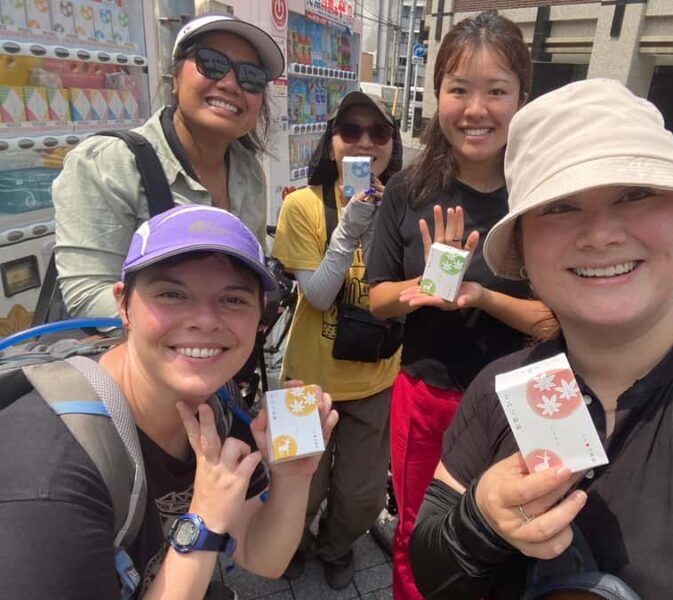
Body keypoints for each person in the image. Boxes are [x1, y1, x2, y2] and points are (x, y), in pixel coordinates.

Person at [408, 78, 673, 599]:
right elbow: (431, 564)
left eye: (635, 194)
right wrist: (479, 519)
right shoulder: (499, 388)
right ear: (523, 248)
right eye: (561, 206)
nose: (601, 233)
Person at [0, 205, 338, 599]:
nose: (206, 320)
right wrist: (203, 522)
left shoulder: (216, 412)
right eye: (172, 294)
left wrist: (292, 479)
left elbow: (263, 559)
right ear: (123, 304)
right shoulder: (50, 479)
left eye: (233, 300)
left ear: (259, 317)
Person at [366, 12, 556, 600]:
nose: (476, 109)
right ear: (438, 96)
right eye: (459, 89)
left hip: (537, 389)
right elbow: (376, 301)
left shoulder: (544, 194)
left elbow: (556, 321)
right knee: (422, 533)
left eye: (496, 91)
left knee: (539, 532)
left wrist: (479, 295)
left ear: (522, 98)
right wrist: (419, 289)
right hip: (429, 392)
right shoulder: (407, 190)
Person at [53, 13, 284, 318]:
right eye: (211, 63)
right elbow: (87, 297)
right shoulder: (108, 162)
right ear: (175, 78)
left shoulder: (248, 171)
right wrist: (205, 325)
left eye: (251, 76)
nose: (230, 84)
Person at [270, 91, 403, 590]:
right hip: (305, 378)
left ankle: (335, 546)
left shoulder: (403, 207)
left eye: (379, 132)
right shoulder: (302, 206)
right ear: (331, 146)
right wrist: (349, 230)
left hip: (376, 378)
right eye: (351, 131)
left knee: (363, 496)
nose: (365, 142)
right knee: (296, 488)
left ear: (392, 145)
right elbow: (320, 296)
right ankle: (290, 543)